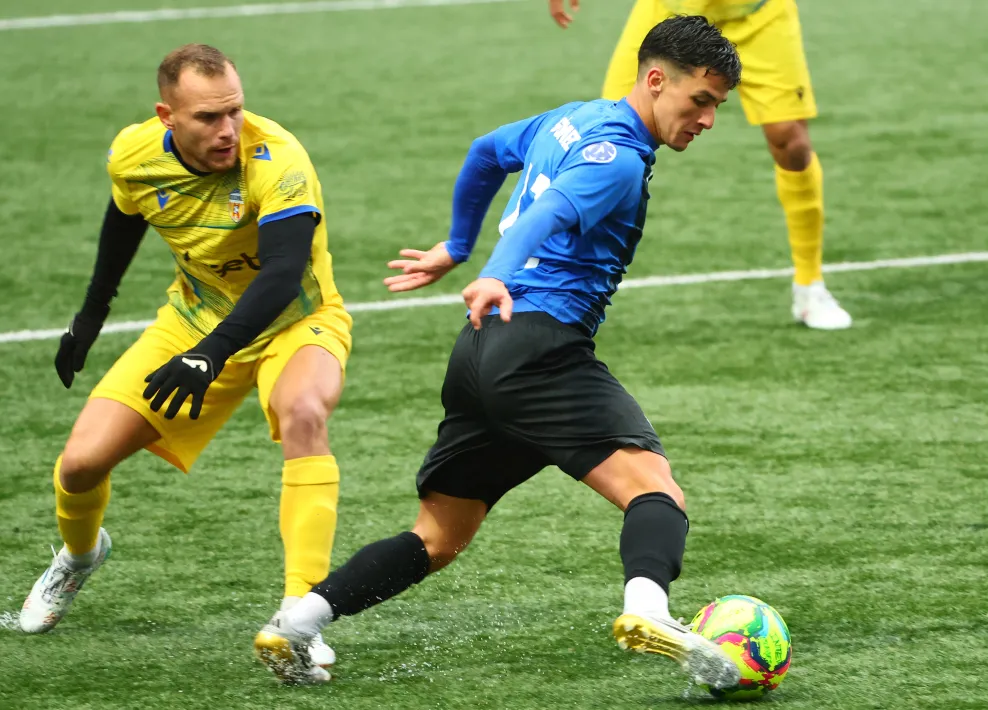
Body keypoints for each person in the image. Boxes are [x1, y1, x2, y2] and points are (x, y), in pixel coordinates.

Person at [254, 16, 743, 688]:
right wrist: (492, 270)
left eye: (718, 106)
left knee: (439, 536)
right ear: (656, 80)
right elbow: (546, 217)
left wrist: (457, 244)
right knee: (654, 490)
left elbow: (486, 151)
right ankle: (649, 610)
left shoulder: (570, 120)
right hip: (537, 348)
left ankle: (297, 624)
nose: (709, 120)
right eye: (702, 101)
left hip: (480, 355)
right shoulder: (620, 159)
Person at [18, 44, 351, 668]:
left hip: (296, 323)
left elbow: (282, 271)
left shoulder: (278, 159)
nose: (227, 130)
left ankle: (300, 615)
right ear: (166, 115)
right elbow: (124, 220)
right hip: (194, 320)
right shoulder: (133, 153)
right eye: (207, 118)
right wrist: (91, 317)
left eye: (235, 111)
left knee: (305, 412)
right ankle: (80, 558)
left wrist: (210, 356)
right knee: (80, 465)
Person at [550, 0, 852, 329]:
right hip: (671, 12)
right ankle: (557, 284)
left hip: (758, 15)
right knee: (609, 135)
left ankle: (810, 285)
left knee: (791, 142)